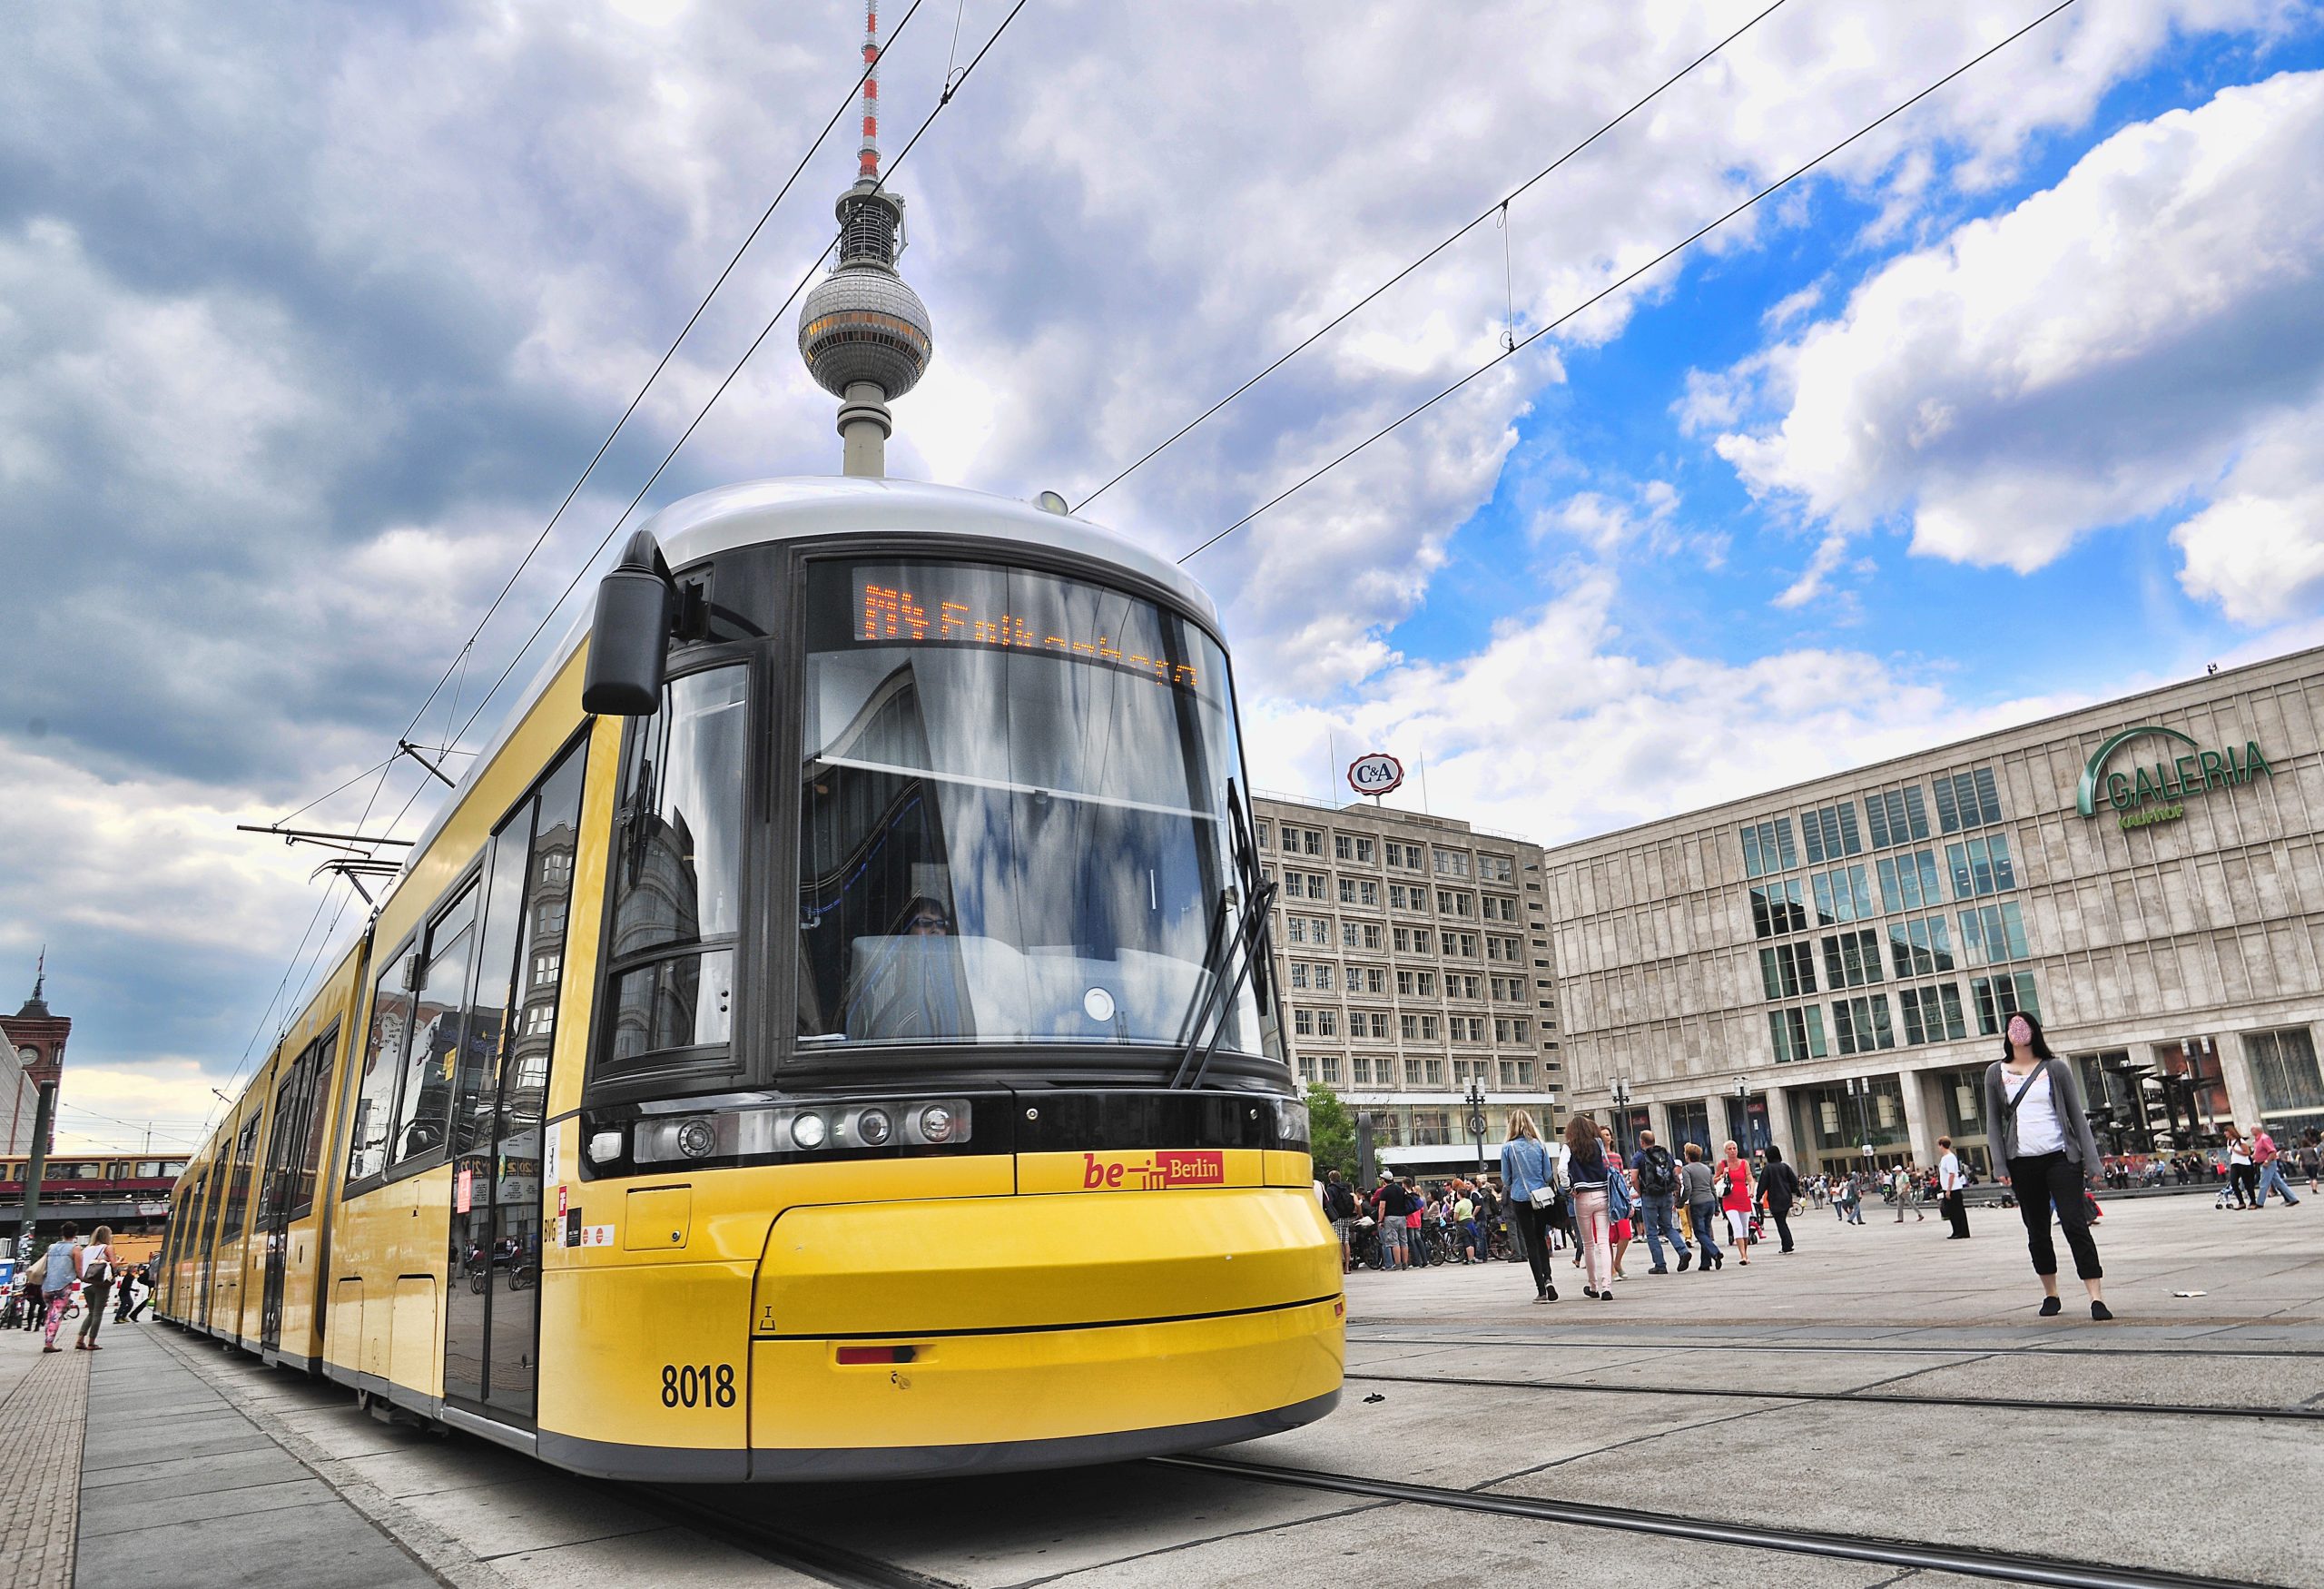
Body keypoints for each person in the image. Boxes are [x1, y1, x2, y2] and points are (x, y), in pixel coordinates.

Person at [1984, 1012, 2111, 1321]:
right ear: (2006, 1034)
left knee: (2074, 1223)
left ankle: (2095, 1297)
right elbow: (1992, 1121)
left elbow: (2076, 1116)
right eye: (2013, 1027)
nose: (2018, 1032)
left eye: (2023, 1026)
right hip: (2022, 1162)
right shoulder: (1994, 1073)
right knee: (2037, 1230)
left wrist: (2092, 1160)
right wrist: (1999, 1162)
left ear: (2034, 1032)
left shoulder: (2055, 1069)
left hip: (2060, 1157)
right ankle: (2050, 1293)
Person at [1499, 1109, 1560, 1303]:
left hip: (1520, 1197)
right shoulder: (1540, 1145)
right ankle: (1549, 1278)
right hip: (1540, 1197)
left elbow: (1505, 1178)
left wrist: (1517, 1182)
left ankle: (1541, 1289)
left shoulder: (1508, 1148)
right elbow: (1548, 1175)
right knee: (1541, 1238)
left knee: (1530, 1242)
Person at [1563, 1114, 1615, 1300]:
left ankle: (1593, 1286)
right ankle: (1607, 1286)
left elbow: (1562, 1169)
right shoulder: (1598, 1144)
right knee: (1604, 1242)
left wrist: (1569, 1187)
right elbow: (1607, 1165)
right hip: (1602, 1194)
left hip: (1582, 1196)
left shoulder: (1569, 1147)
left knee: (1588, 1244)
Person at [1628, 1130, 1689, 1274]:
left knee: (1651, 1232)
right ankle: (1682, 1251)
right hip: (1666, 1194)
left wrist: (1640, 1191)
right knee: (1668, 1227)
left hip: (1649, 1195)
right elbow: (1673, 1174)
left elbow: (1634, 1178)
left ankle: (1660, 1264)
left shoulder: (1639, 1156)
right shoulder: (1665, 1154)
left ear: (1641, 1142)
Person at [1679, 1142, 1722, 1271]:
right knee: (1706, 1232)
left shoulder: (1687, 1169)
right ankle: (1705, 1263)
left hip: (1697, 1203)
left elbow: (1688, 1188)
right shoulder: (1706, 1168)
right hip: (1709, 1201)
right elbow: (1712, 1188)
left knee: (1699, 1232)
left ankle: (1715, 1252)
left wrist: (1682, 1202)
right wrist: (1716, 1205)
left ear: (1687, 1156)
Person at [38, 1223, 81, 1352]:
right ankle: (49, 1343)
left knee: (50, 1312)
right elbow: (79, 1269)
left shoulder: (51, 1247)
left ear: (62, 1233)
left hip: (47, 1286)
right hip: (63, 1286)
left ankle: (48, 1338)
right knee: (55, 1314)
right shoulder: (75, 1249)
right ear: (75, 1234)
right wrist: (83, 1278)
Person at [74, 1226, 115, 1350]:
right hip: (100, 1284)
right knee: (98, 1313)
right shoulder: (108, 1248)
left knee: (91, 1313)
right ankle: (91, 1342)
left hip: (87, 1284)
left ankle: (80, 1340)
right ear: (107, 1236)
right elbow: (114, 1264)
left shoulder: (86, 1250)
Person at [1757, 1143, 1801, 1254]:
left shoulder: (1768, 1168)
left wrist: (1758, 1196)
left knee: (1780, 1223)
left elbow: (1763, 1184)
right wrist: (1797, 1191)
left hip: (1775, 1199)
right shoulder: (1785, 1166)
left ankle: (1787, 1245)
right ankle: (1788, 1244)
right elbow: (1794, 1181)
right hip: (1786, 1198)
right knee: (1783, 1222)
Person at [1718, 1140, 1753, 1266]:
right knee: (1736, 1226)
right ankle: (1743, 1256)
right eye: (1730, 1149)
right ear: (1725, 1151)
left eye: (1734, 1148)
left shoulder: (1744, 1163)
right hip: (1729, 1200)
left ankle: (1745, 1253)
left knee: (1745, 1228)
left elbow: (1749, 1178)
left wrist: (1751, 1190)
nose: (1732, 1151)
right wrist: (1722, 1175)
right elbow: (1714, 1180)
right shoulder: (1722, 1164)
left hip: (1743, 1198)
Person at [1369, 1172, 1413, 1271]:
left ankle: (1397, 1264)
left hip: (1390, 1218)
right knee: (1403, 1241)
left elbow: (1382, 1207)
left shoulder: (1385, 1191)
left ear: (1384, 1180)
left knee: (1394, 1241)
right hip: (1402, 1217)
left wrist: (1380, 1221)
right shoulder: (1401, 1189)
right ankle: (1405, 1263)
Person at [2252, 1126, 2301, 1209]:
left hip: (2268, 1163)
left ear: (2258, 1130)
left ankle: (2259, 1202)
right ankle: (2292, 1198)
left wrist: (2267, 1161)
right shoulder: (2257, 1140)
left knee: (2264, 1183)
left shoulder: (2264, 1138)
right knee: (2278, 1182)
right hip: (2263, 1162)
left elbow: (2272, 1151)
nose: (2251, 1131)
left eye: (2252, 1129)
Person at [1324, 1170, 1358, 1272]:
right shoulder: (1345, 1188)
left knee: (1337, 1242)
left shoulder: (1331, 1189)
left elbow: (1329, 1203)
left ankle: (1338, 1266)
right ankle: (1347, 1267)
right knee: (1346, 1242)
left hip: (1336, 1217)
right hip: (1346, 1217)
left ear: (1330, 1179)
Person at [1938, 1135, 1971, 1239]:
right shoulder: (1944, 1158)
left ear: (1942, 1145)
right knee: (1952, 1211)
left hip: (1953, 1188)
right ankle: (1956, 1230)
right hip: (1947, 1188)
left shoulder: (1950, 1157)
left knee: (1957, 1210)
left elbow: (1952, 1174)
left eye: (1939, 1145)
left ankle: (1962, 1231)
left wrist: (1948, 1190)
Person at [2223, 1127, 2255, 1209]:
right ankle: (2241, 1202)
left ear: (2231, 1132)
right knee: (2233, 1183)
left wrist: (2235, 1151)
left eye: (2226, 1131)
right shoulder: (2229, 1142)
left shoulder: (2240, 1141)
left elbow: (2247, 1153)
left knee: (2247, 1184)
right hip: (2234, 1163)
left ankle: (2253, 1202)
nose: (2225, 1134)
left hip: (2244, 1164)